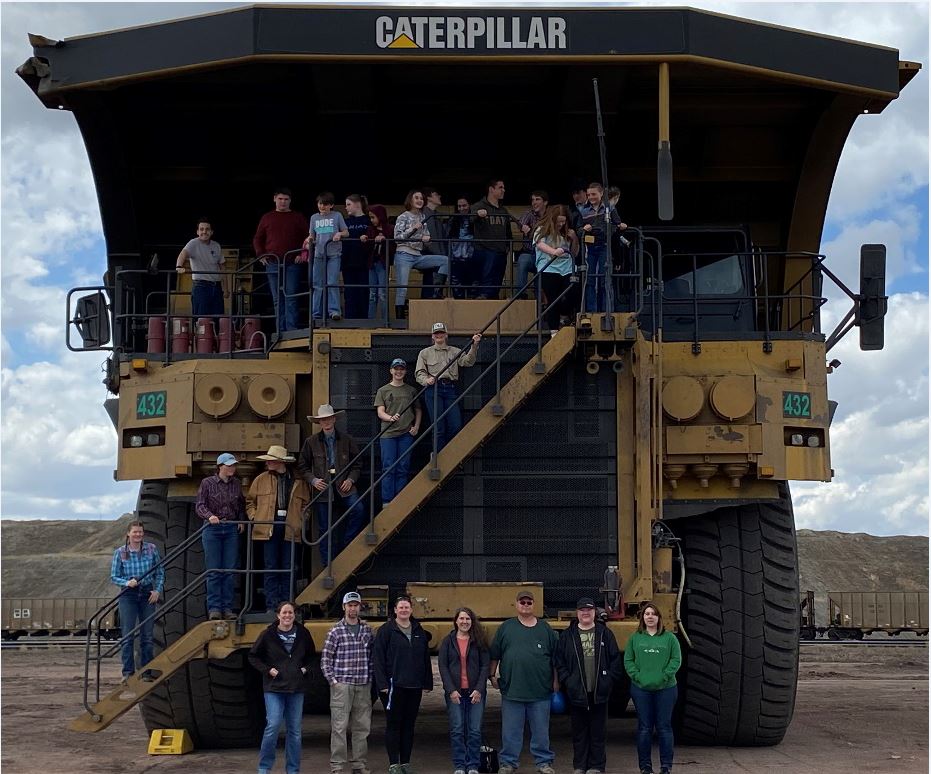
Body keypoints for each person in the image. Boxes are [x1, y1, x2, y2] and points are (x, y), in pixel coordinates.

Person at [489, 589, 559, 774]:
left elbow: (555, 658)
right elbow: (495, 653)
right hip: (512, 690)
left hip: (540, 691)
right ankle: (508, 763)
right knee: (511, 732)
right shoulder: (506, 628)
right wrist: (492, 675)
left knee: (541, 732)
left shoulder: (545, 629)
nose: (525, 605)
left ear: (533, 605)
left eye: (529, 602)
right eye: (522, 602)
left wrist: (556, 681)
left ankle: (544, 762)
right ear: (516, 604)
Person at [555, 597, 622, 774]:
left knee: (598, 733)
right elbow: (559, 661)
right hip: (577, 692)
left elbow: (615, 660)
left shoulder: (604, 634)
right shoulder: (567, 636)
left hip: (599, 692)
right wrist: (568, 681)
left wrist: (608, 681)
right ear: (577, 613)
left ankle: (597, 766)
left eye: (589, 610)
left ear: (594, 613)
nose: (586, 613)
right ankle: (579, 766)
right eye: (582, 610)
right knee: (579, 733)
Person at [248, 601, 316, 774]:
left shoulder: (303, 634)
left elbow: (312, 657)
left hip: (296, 688)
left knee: (295, 731)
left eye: (290, 613)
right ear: (278, 615)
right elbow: (253, 656)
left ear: (294, 615)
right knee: (273, 726)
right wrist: (268, 670)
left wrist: (304, 669)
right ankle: (264, 767)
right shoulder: (268, 635)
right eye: (284, 613)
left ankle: (293, 770)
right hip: (274, 688)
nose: (287, 616)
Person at [297, 404, 365, 566]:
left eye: (328, 418)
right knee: (324, 528)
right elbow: (302, 465)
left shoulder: (347, 440)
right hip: (323, 489)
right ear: (319, 423)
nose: (326, 422)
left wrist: (351, 480)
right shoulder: (311, 442)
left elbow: (357, 464)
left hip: (344, 485)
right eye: (322, 420)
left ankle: (346, 546)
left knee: (359, 510)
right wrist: (313, 480)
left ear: (334, 419)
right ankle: (328, 564)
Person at [245, 445, 310, 613]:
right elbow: (250, 502)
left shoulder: (298, 481)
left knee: (289, 567)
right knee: (271, 567)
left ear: (280, 462)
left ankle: (287, 606)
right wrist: (255, 518)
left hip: (291, 528)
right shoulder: (260, 479)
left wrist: (301, 521)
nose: (268, 463)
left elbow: (306, 505)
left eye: (271, 461)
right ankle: (272, 606)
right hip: (268, 528)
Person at [373, 595, 433, 774]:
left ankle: (405, 763)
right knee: (394, 724)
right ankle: (394, 764)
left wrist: (427, 682)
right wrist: (382, 683)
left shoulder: (418, 630)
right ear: (395, 610)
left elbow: (425, 658)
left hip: (414, 687)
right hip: (393, 687)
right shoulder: (386, 630)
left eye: (407, 607)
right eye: (401, 607)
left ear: (411, 610)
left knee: (409, 725)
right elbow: (378, 658)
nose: (404, 610)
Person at [624, 603, 682, 774]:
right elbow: (628, 661)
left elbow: (676, 660)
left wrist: (664, 676)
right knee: (644, 728)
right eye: (647, 614)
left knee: (664, 727)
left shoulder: (670, 638)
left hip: (666, 689)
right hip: (641, 689)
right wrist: (638, 676)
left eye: (653, 614)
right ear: (642, 617)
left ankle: (666, 767)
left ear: (659, 618)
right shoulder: (635, 638)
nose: (650, 617)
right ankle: (645, 767)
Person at [321, 591, 375, 774]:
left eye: (356, 605)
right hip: (342, 684)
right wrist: (333, 681)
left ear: (360, 607)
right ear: (344, 607)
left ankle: (359, 764)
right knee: (339, 727)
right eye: (350, 605)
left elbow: (372, 657)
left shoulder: (367, 630)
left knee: (362, 727)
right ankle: (337, 766)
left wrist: (371, 677)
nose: (353, 608)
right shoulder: (335, 630)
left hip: (363, 684)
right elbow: (326, 659)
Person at [109, 520, 164, 683]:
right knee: (128, 634)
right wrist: (126, 582)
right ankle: (128, 672)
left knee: (147, 635)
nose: (138, 534)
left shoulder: (151, 549)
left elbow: (160, 571)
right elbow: (113, 576)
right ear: (128, 534)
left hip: (147, 593)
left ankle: (146, 672)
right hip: (129, 594)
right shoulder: (120, 553)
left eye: (140, 532)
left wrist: (157, 590)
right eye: (135, 532)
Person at [414, 322, 481, 451]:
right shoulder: (424, 353)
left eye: (441, 333)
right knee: (438, 427)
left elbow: (468, 362)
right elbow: (419, 373)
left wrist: (475, 345)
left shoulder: (455, 351)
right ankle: (439, 458)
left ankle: (449, 453)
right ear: (432, 336)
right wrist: (426, 380)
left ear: (446, 335)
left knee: (455, 425)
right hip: (433, 390)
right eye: (436, 333)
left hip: (450, 389)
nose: (439, 335)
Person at [438, 607, 490, 774]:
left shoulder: (479, 641)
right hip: (456, 694)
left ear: (472, 621)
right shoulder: (448, 641)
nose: (464, 622)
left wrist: (479, 689)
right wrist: (451, 690)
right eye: (461, 619)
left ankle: (473, 764)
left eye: (468, 619)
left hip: (475, 693)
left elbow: (485, 666)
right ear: (455, 621)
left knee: (474, 730)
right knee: (457, 729)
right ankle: (460, 765)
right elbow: (443, 666)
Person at [195, 452, 245, 620]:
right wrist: (209, 516)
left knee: (229, 571)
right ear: (220, 467)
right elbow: (200, 505)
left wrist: (240, 520)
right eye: (229, 465)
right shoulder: (207, 483)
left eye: (233, 465)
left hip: (230, 528)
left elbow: (240, 504)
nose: (232, 468)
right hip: (212, 529)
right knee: (214, 570)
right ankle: (215, 608)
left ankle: (228, 608)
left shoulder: (236, 484)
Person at [254, 188, 309, 333]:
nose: (283, 202)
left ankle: (291, 331)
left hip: (293, 262)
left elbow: (308, 237)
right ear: (274, 199)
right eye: (280, 199)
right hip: (272, 263)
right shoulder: (267, 217)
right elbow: (258, 238)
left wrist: (302, 254)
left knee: (291, 296)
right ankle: (280, 330)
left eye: (286, 199)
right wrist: (261, 255)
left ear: (290, 200)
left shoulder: (298, 217)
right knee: (278, 299)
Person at [393, 189, 450, 319]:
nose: (420, 200)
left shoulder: (423, 217)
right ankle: (399, 319)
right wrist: (413, 228)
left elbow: (426, 238)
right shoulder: (403, 216)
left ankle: (437, 293)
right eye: (416, 198)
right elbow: (397, 238)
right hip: (404, 254)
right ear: (410, 200)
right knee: (402, 288)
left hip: (418, 254)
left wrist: (427, 240)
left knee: (445, 260)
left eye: (421, 198)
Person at [374, 358, 422, 506]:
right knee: (388, 467)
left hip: (406, 433)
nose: (399, 371)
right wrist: (390, 418)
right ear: (391, 371)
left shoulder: (411, 390)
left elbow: (418, 410)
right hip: (388, 435)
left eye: (401, 369)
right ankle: (387, 501)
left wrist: (416, 426)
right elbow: (380, 412)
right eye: (396, 369)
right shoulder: (383, 390)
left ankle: (400, 499)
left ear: (405, 371)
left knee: (403, 467)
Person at [578, 182, 628, 313]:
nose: (591, 197)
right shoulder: (583, 211)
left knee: (604, 280)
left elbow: (618, 226)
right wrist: (583, 229)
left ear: (601, 194)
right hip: (590, 248)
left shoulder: (609, 209)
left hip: (604, 247)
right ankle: (591, 312)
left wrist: (621, 226)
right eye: (588, 195)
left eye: (593, 194)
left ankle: (607, 311)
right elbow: (577, 230)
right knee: (590, 280)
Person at [534, 205, 581, 335]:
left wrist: (575, 238)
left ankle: (564, 315)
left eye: (563, 221)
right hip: (549, 267)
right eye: (558, 221)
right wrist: (554, 251)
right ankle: (554, 330)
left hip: (567, 268)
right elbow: (540, 244)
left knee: (573, 292)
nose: (561, 223)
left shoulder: (567, 232)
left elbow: (575, 253)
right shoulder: (541, 230)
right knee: (552, 298)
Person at [306, 191, 349, 322]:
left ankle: (334, 311)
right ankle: (315, 314)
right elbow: (312, 234)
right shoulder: (314, 218)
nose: (322, 207)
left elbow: (346, 232)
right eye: (320, 204)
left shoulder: (337, 216)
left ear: (331, 205)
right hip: (318, 254)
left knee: (332, 282)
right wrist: (309, 240)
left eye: (325, 204)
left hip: (334, 254)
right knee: (317, 284)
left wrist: (339, 234)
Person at [175, 217, 228, 318]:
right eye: (202, 229)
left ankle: (216, 334)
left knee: (218, 318)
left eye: (207, 229)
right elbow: (183, 253)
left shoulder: (216, 245)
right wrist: (179, 266)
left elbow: (223, 268)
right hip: (201, 287)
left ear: (211, 232)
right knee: (202, 320)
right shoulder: (193, 243)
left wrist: (225, 289)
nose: (204, 232)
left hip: (216, 287)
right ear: (197, 231)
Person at [470, 179, 514, 299]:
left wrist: (507, 247)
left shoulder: (503, 210)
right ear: (491, 189)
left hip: (501, 251)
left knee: (497, 282)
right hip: (484, 250)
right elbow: (471, 219)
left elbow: (508, 231)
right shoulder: (478, 206)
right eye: (500, 187)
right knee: (485, 284)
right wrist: (478, 214)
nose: (503, 190)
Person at [343, 194, 374, 320]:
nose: (346, 208)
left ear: (357, 204)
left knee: (363, 292)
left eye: (348, 204)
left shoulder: (368, 220)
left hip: (364, 262)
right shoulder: (345, 222)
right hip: (347, 262)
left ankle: (363, 320)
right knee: (349, 293)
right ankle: (350, 319)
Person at [514, 191, 548, 299]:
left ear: (545, 202)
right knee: (523, 260)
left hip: (547, 254)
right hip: (530, 253)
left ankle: (541, 301)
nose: (534, 202)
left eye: (537, 199)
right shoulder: (529, 214)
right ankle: (520, 295)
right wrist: (523, 227)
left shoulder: (551, 215)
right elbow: (521, 223)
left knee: (542, 279)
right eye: (533, 200)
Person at [420, 186, 447, 300]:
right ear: (429, 198)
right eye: (436, 194)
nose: (439, 196)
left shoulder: (436, 215)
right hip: (432, 256)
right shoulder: (425, 215)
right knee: (430, 290)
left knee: (435, 290)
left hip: (439, 256)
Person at [365, 204, 391, 320]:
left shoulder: (390, 229)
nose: (372, 220)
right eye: (370, 218)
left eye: (373, 217)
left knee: (382, 294)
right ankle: (371, 321)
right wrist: (365, 240)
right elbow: (367, 249)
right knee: (372, 294)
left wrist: (384, 240)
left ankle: (385, 320)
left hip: (383, 264)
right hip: (372, 263)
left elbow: (393, 247)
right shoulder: (370, 230)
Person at [447, 196, 476, 299]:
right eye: (459, 206)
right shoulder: (453, 220)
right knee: (457, 285)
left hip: (473, 257)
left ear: (470, 205)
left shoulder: (475, 218)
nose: (461, 208)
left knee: (473, 285)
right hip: (456, 257)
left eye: (464, 205)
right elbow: (448, 237)